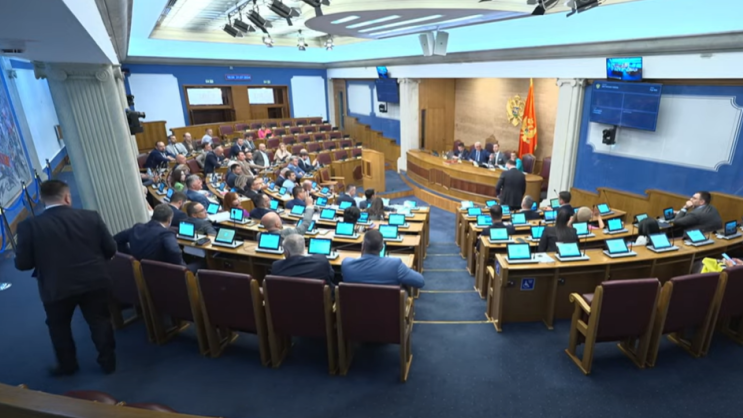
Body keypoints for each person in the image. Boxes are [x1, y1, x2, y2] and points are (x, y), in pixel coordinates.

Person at [14, 180, 117, 376]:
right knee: (100, 321)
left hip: (55, 286)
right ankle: (108, 362)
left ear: (42, 200)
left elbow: (23, 264)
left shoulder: (28, 226)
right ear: (68, 197)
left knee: (59, 327)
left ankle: (68, 366)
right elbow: (111, 248)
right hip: (95, 280)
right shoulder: (91, 217)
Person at [341, 230, 424, 289]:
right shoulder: (395, 265)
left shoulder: (347, 265)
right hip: (387, 307)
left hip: (355, 307)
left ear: (363, 246)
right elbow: (420, 282)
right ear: (381, 248)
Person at [114, 204, 185, 267]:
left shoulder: (137, 228)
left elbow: (116, 239)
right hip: (159, 272)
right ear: (169, 220)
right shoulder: (166, 234)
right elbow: (174, 251)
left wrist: (129, 255)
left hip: (137, 270)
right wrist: (181, 269)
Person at [270, 235, 334, 285]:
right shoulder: (322, 261)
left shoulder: (276, 266)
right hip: (316, 297)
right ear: (304, 247)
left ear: (286, 252)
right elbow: (331, 277)